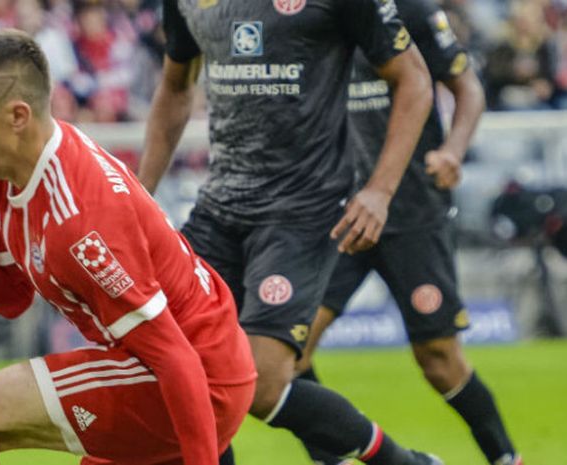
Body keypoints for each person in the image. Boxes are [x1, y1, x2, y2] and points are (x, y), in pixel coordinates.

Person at [0, 29, 257, 465]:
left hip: (196, 380)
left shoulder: (80, 223)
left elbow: (174, 356)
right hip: (160, 366)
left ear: (18, 116)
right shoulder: (2, 172)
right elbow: (12, 296)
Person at [138, 1, 440, 464]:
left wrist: (380, 190)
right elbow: (175, 87)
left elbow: (414, 78)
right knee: (173, 371)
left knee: (259, 385)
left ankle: (402, 462)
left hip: (303, 211)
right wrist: (140, 197)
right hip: (220, 208)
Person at [295, 1, 523, 465]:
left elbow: (468, 88)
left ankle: (506, 458)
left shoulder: (411, 12)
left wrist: (454, 150)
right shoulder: (307, 15)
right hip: (340, 213)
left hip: (413, 211)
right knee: (289, 352)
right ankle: (334, 456)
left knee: (439, 358)